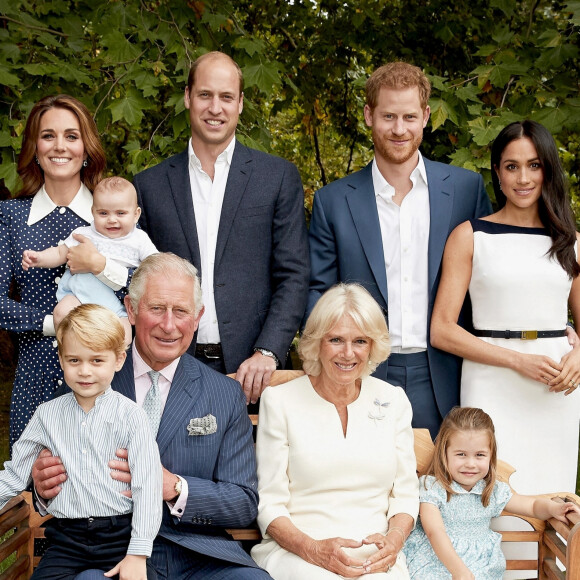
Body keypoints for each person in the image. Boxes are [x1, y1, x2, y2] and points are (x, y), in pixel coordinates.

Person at [33, 252, 272, 580]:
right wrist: (43, 486)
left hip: (195, 553)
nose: (169, 325)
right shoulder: (88, 377)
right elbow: (53, 480)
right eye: (156, 308)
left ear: (198, 316)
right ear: (131, 309)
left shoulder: (224, 395)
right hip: (106, 552)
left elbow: (243, 502)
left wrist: (174, 487)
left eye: (181, 311)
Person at [307, 62, 492, 438]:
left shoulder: (465, 190)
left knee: (451, 492)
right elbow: (318, 292)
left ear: (425, 116)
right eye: (388, 116)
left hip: (448, 371)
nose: (399, 129)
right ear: (368, 116)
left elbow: (492, 278)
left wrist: (553, 332)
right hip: (363, 372)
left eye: (409, 116)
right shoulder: (333, 201)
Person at [133, 51, 309, 406]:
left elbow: (294, 274)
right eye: (205, 95)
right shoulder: (149, 186)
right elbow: (136, 277)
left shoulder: (276, 178)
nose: (216, 107)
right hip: (169, 365)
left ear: (240, 103)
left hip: (254, 371)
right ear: (187, 97)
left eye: (226, 97)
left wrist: (269, 351)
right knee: (167, 464)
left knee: (252, 464)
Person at [430, 120, 580, 495]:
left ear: (547, 170)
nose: (523, 177)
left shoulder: (571, 242)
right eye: (511, 166)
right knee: (491, 494)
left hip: (556, 387)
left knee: (553, 496)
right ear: (497, 173)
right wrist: (517, 359)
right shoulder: (471, 236)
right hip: (491, 382)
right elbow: (442, 329)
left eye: (534, 165)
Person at [251, 283, 419, 579]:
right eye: (336, 340)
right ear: (316, 342)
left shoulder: (393, 401)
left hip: (375, 558)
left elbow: (405, 496)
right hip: (299, 552)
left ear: (373, 346)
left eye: (360, 342)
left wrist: (393, 543)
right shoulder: (280, 401)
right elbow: (269, 502)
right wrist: (314, 549)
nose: (348, 353)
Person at [1, 94, 131, 447]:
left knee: (108, 487)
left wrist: (101, 265)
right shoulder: (10, 217)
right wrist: (53, 323)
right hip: (37, 371)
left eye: (71, 136)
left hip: (106, 376)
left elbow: (139, 292)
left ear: (86, 148)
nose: (60, 146)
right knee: (36, 489)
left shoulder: (114, 215)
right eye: (48, 135)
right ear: (34, 147)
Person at [0, 304, 162, 579]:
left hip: (120, 538)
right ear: (61, 359)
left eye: (97, 360)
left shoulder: (131, 416)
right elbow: (15, 475)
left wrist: (137, 553)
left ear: (118, 360)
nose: (85, 371)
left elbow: (148, 486)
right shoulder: (47, 415)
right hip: (66, 540)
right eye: (74, 360)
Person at [403, 407, 580, 580]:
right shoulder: (432, 487)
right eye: (461, 454)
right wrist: (459, 571)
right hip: (437, 560)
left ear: (491, 455)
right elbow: (435, 531)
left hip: (481, 565)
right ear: (444, 454)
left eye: (479, 455)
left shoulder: (492, 490)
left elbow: (533, 506)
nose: (470, 463)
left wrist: (554, 508)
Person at [22, 176, 158, 345]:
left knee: (125, 337)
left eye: (121, 213)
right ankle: (70, 350)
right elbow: (59, 253)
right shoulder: (84, 233)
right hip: (78, 298)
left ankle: (107, 366)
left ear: (136, 214)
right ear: (93, 212)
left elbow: (155, 265)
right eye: (103, 213)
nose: (112, 219)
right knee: (61, 312)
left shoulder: (139, 240)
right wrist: (39, 258)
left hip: (115, 306)